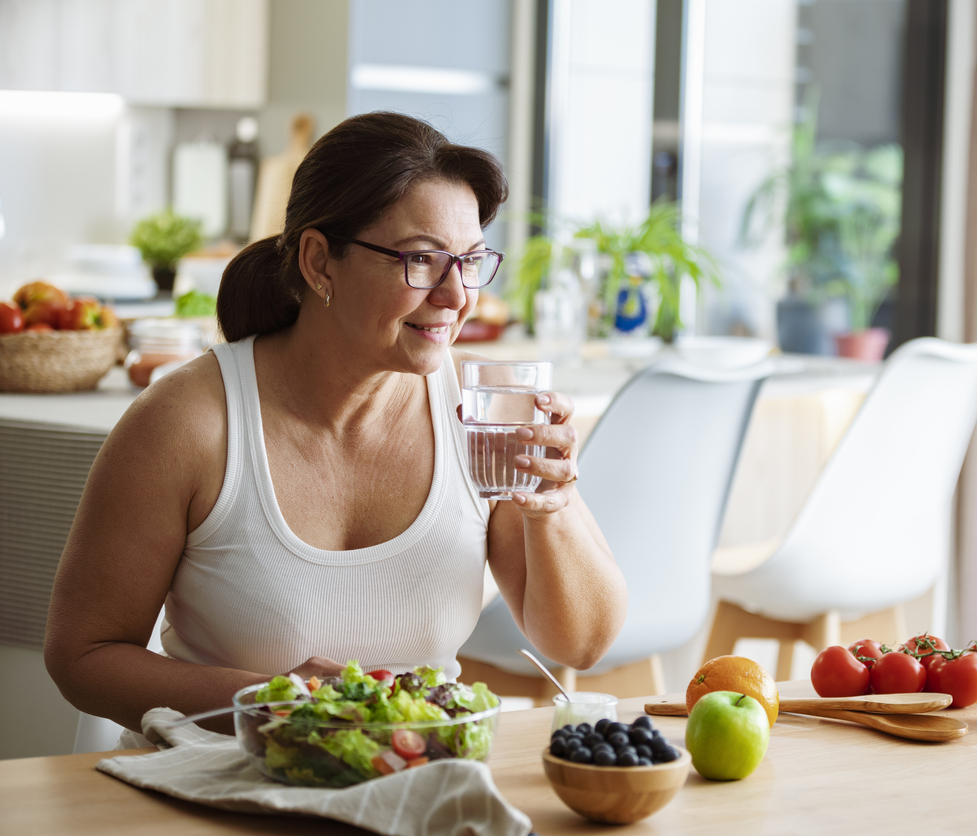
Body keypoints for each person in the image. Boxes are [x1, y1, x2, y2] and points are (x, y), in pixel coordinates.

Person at [43, 112, 628, 739]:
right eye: (422, 260)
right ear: (320, 262)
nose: (457, 295)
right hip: (213, 786)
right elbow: (83, 657)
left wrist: (553, 508)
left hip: (416, 787)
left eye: (472, 261)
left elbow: (582, 644)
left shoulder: (487, 410)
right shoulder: (188, 423)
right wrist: (268, 702)